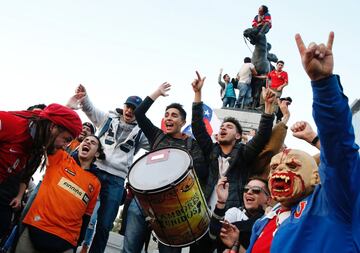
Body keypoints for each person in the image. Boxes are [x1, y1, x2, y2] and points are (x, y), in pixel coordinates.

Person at [247, 32, 360, 253]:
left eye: (292, 166)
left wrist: (324, 85)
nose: (280, 171)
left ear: (316, 176)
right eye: (275, 167)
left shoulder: (333, 204)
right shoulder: (261, 224)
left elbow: (339, 151)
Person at [123, 82, 208, 253]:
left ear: (183, 122)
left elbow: (201, 172)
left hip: (173, 208)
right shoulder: (157, 136)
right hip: (143, 203)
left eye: (174, 115)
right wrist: (157, 93)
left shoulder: (192, 145)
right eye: (167, 115)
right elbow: (139, 113)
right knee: (129, 248)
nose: (169, 118)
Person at [68, 84, 149, 253]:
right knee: (78, 214)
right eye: (128, 107)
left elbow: (158, 142)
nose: (129, 112)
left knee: (104, 225)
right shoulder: (107, 119)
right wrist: (84, 96)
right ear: (124, 106)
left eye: (134, 110)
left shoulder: (141, 132)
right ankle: (70, 248)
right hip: (94, 171)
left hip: (116, 180)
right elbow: (90, 109)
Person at [191, 70, 275, 212]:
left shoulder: (243, 153)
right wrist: (197, 94)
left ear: (237, 136)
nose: (223, 129)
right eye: (222, 127)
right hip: (204, 211)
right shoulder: (211, 150)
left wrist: (267, 106)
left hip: (232, 214)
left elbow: (262, 136)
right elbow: (198, 128)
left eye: (229, 127)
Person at [0, 104, 82, 238]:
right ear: (53, 127)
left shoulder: (35, 145)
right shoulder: (11, 124)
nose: (64, 146)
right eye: (66, 139)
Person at [15, 135, 103, 253]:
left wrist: (78, 242)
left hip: (65, 243)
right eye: (85, 140)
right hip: (35, 229)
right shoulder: (61, 158)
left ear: (97, 154)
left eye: (93, 142)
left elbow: (87, 216)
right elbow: (50, 138)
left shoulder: (96, 183)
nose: (87, 142)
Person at [209, 176, 271, 253]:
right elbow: (214, 236)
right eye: (246, 189)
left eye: (256, 190)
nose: (249, 192)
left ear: (268, 199)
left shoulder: (273, 219)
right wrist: (221, 201)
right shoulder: (234, 212)